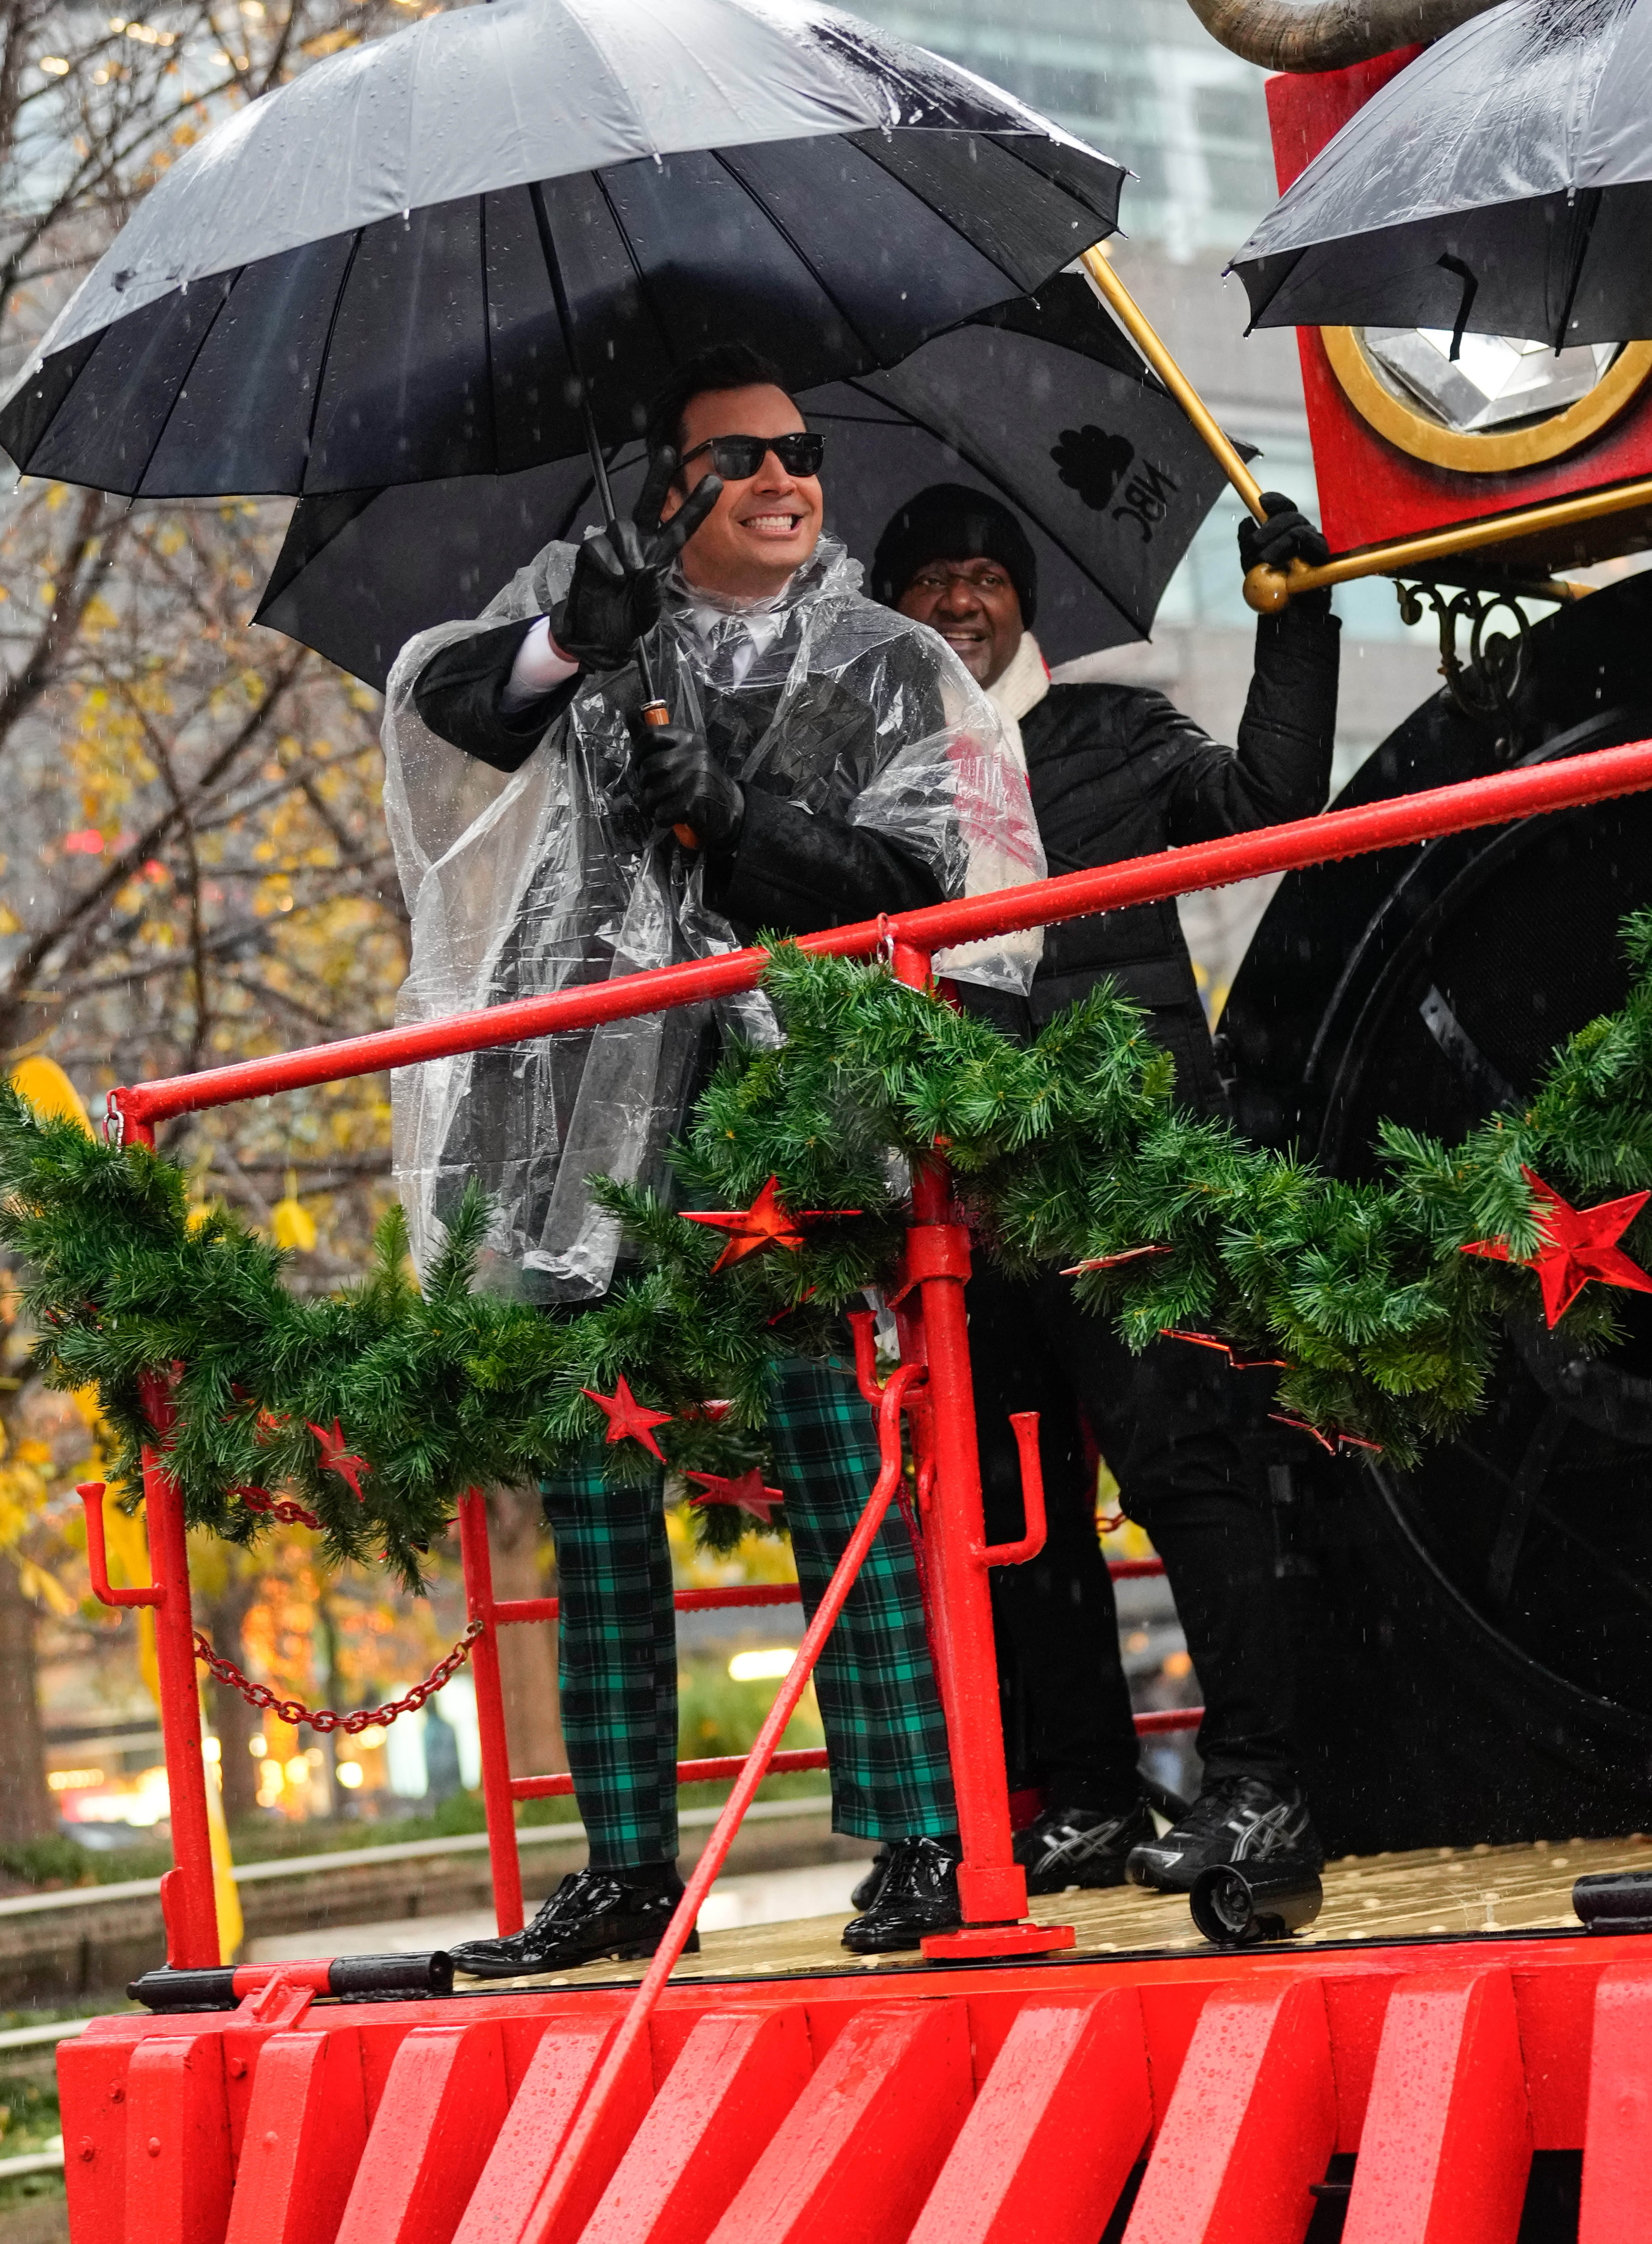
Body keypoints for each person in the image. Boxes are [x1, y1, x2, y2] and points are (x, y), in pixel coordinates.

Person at [380, 353, 1044, 1971]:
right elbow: (453, 717)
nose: (783, 478)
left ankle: (914, 1836)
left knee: (840, 1467)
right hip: (574, 1120)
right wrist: (570, 637)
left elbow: (925, 879)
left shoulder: (884, 660)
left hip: (777, 1119)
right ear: (668, 485)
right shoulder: (599, 621)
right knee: (596, 1486)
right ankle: (620, 1864)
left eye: (800, 452)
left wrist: (739, 815)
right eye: (737, 455)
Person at [868, 480, 1339, 1896]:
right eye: (926, 583)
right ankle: (1089, 1795)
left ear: (1024, 598)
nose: (957, 600)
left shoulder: (1115, 733)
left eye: (981, 575)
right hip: (967, 1199)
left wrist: (1300, 622)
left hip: (1126, 1172)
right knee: (1023, 1508)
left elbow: (1267, 798)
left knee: (1189, 1474)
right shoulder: (880, 779)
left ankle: (1260, 1787)